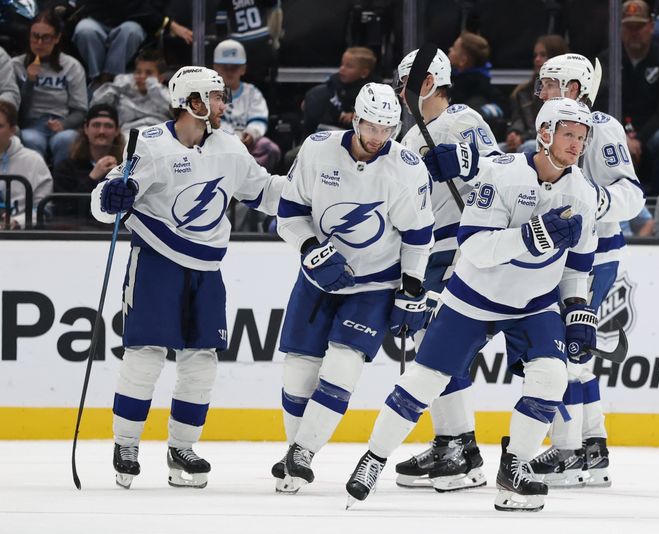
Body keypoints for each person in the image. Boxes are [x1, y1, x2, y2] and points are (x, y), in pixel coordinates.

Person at [345, 97, 598, 513]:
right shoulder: (502, 173)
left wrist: (576, 311)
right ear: (546, 132)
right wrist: (530, 236)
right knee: (423, 383)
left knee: (551, 378)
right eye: (569, 134)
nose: (576, 145)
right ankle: (372, 458)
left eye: (582, 138)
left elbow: (576, 269)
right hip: (472, 298)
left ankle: (514, 467)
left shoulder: (584, 194)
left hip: (533, 304)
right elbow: (474, 246)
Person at [89, 66, 286, 490]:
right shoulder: (150, 145)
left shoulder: (231, 149)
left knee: (202, 361)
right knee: (145, 355)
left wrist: (313, 191)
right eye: (215, 97)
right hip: (157, 261)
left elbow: (266, 193)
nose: (223, 104)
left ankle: (183, 447)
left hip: (207, 269)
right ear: (193, 101)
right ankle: (126, 444)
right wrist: (110, 196)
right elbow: (105, 200)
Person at [272, 82, 435, 494]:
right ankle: (295, 451)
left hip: (375, 283)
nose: (379, 137)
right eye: (372, 127)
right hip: (317, 278)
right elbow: (288, 214)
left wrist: (411, 288)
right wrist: (310, 249)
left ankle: (303, 453)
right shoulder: (317, 148)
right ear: (356, 120)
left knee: (343, 366)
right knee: (298, 374)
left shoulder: (407, 167)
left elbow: (418, 235)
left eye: (387, 129)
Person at [531, 53, 645, 488]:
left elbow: (631, 196)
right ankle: (591, 448)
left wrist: (589, 201)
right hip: (569, 255)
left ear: (574, 88)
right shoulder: (552, 127)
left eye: (548, 83)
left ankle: (569, 451)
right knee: (576, 358)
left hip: (595, 256)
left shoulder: (602, 126)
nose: (540, 91)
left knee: (563, 354)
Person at [389, 47, 499, 492]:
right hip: (433, 251)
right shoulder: (412, 136)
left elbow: (499, 174)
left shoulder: (462, 120)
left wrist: (465, 163)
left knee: (437, 346)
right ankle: (453, 444)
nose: (399, 93)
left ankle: (460, 449)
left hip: (461, 248)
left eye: (404, 84)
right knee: (430, 346)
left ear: (427, 83)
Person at [597, 0, 659, 195]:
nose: (634, 32)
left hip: (652, 131)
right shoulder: (605, 62)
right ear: (620, 29)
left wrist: (639, 139)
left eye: (640, 27)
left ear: (651, 27)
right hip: (615, 132)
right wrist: (621, 137)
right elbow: (600, 108)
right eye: (629, 27)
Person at [12, 9, 87, 166]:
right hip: (30, 124)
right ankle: (33, 188)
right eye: (35, 36)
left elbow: (80, 110)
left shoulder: (71, 66)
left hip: (61, 124)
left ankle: (62, 187)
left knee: (66, 139)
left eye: (45, 37)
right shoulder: (16, 65)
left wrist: (64, 124)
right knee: (30, 139)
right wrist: (29, 83)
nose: (39, 43)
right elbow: (15, 112)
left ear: (57, 37)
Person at [71, 0, 191, 86]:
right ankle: (97, 77)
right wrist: (169, 24)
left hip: (133, 21)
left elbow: (144, 7)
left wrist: (167, 23)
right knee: (85, 30)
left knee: (129, 31)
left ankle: (113, 78)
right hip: (97, 19)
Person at [213, 39, 281, 172]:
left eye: (234, 67)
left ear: (243, 69)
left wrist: (251, 134)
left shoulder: (252, 93)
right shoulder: (209, 93)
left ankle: (250, 178)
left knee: (270, 148)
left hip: (247, 144)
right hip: (219, 144)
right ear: (215, 67)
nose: (229, 71)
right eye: (224, 67)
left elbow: (258, 120)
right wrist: (231, 139)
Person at [52, 104, 123, 225]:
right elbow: (63, 211)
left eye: (108, 126)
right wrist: (92, 177)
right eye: (96, 125)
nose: (102, 131)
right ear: (86, 129)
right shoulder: (66, 168)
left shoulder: (127, 168)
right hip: (79, 235)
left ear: (117, 131)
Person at [504, 35, 568, 155]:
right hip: (524, 139)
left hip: (550, 141)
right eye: (535, 55)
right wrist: (514, 133)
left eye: (543, 55)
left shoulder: (564, 91)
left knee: (528, 148)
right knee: (496, 150)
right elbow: (518, 119)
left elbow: (552, 126)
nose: (537, 60)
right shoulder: (522, 91)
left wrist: (522, 138)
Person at [90, 49, 171, 138]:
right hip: (126, 136)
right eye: (138, 72)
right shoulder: (122, 91)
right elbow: (95, 107)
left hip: (158, 134)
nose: (142, 76)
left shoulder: (169, 96)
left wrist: (155, 90)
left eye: (149, 73)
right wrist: (116, 86)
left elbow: (177, 114)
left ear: (161, 78)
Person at [301, 47, 379, 137]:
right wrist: (310, 102)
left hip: (352, 135)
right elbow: (322, 95)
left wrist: (358, 116)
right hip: (326, 128)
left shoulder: (373, 91)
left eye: (349, 66)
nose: (342, 69)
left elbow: (375, 115)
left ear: (364, 73)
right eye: (342, 64)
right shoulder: (335, 82)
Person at [0, 100, 52, 229]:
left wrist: (17, 222)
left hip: (21, 238)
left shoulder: (34, 161)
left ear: (13, 129)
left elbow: (43, 210)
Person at [448, 31, 507, 121]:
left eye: (454, 48)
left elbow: (503, 106)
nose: (450, 49)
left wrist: (482, 112)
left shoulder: (479, 85)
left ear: (463, 60)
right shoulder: (452, 78)